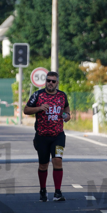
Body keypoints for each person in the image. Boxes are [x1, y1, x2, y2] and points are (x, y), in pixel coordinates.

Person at [24, 70, 70, 201]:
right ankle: (43, 190)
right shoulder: (38, 95)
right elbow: (26, 110)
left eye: (53, 81)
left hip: (58, 136)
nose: (50, 83)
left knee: (58, 160)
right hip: (42, 136)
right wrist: (38, 108)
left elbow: (67, 111)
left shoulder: (62, 95)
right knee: (43, 165)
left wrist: (67, 116)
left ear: (57, 83)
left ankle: (57, 192)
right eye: (48, 80)